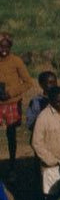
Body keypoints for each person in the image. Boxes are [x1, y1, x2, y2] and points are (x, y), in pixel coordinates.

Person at [0, 32, 33, 171]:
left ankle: (12, 163)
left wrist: (10, 93)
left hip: (12, 103)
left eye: (6, 47)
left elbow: (28, 82)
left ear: (10, 47)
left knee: (11, 134)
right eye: (1, 47)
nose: (3, 50)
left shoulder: (16, 61)